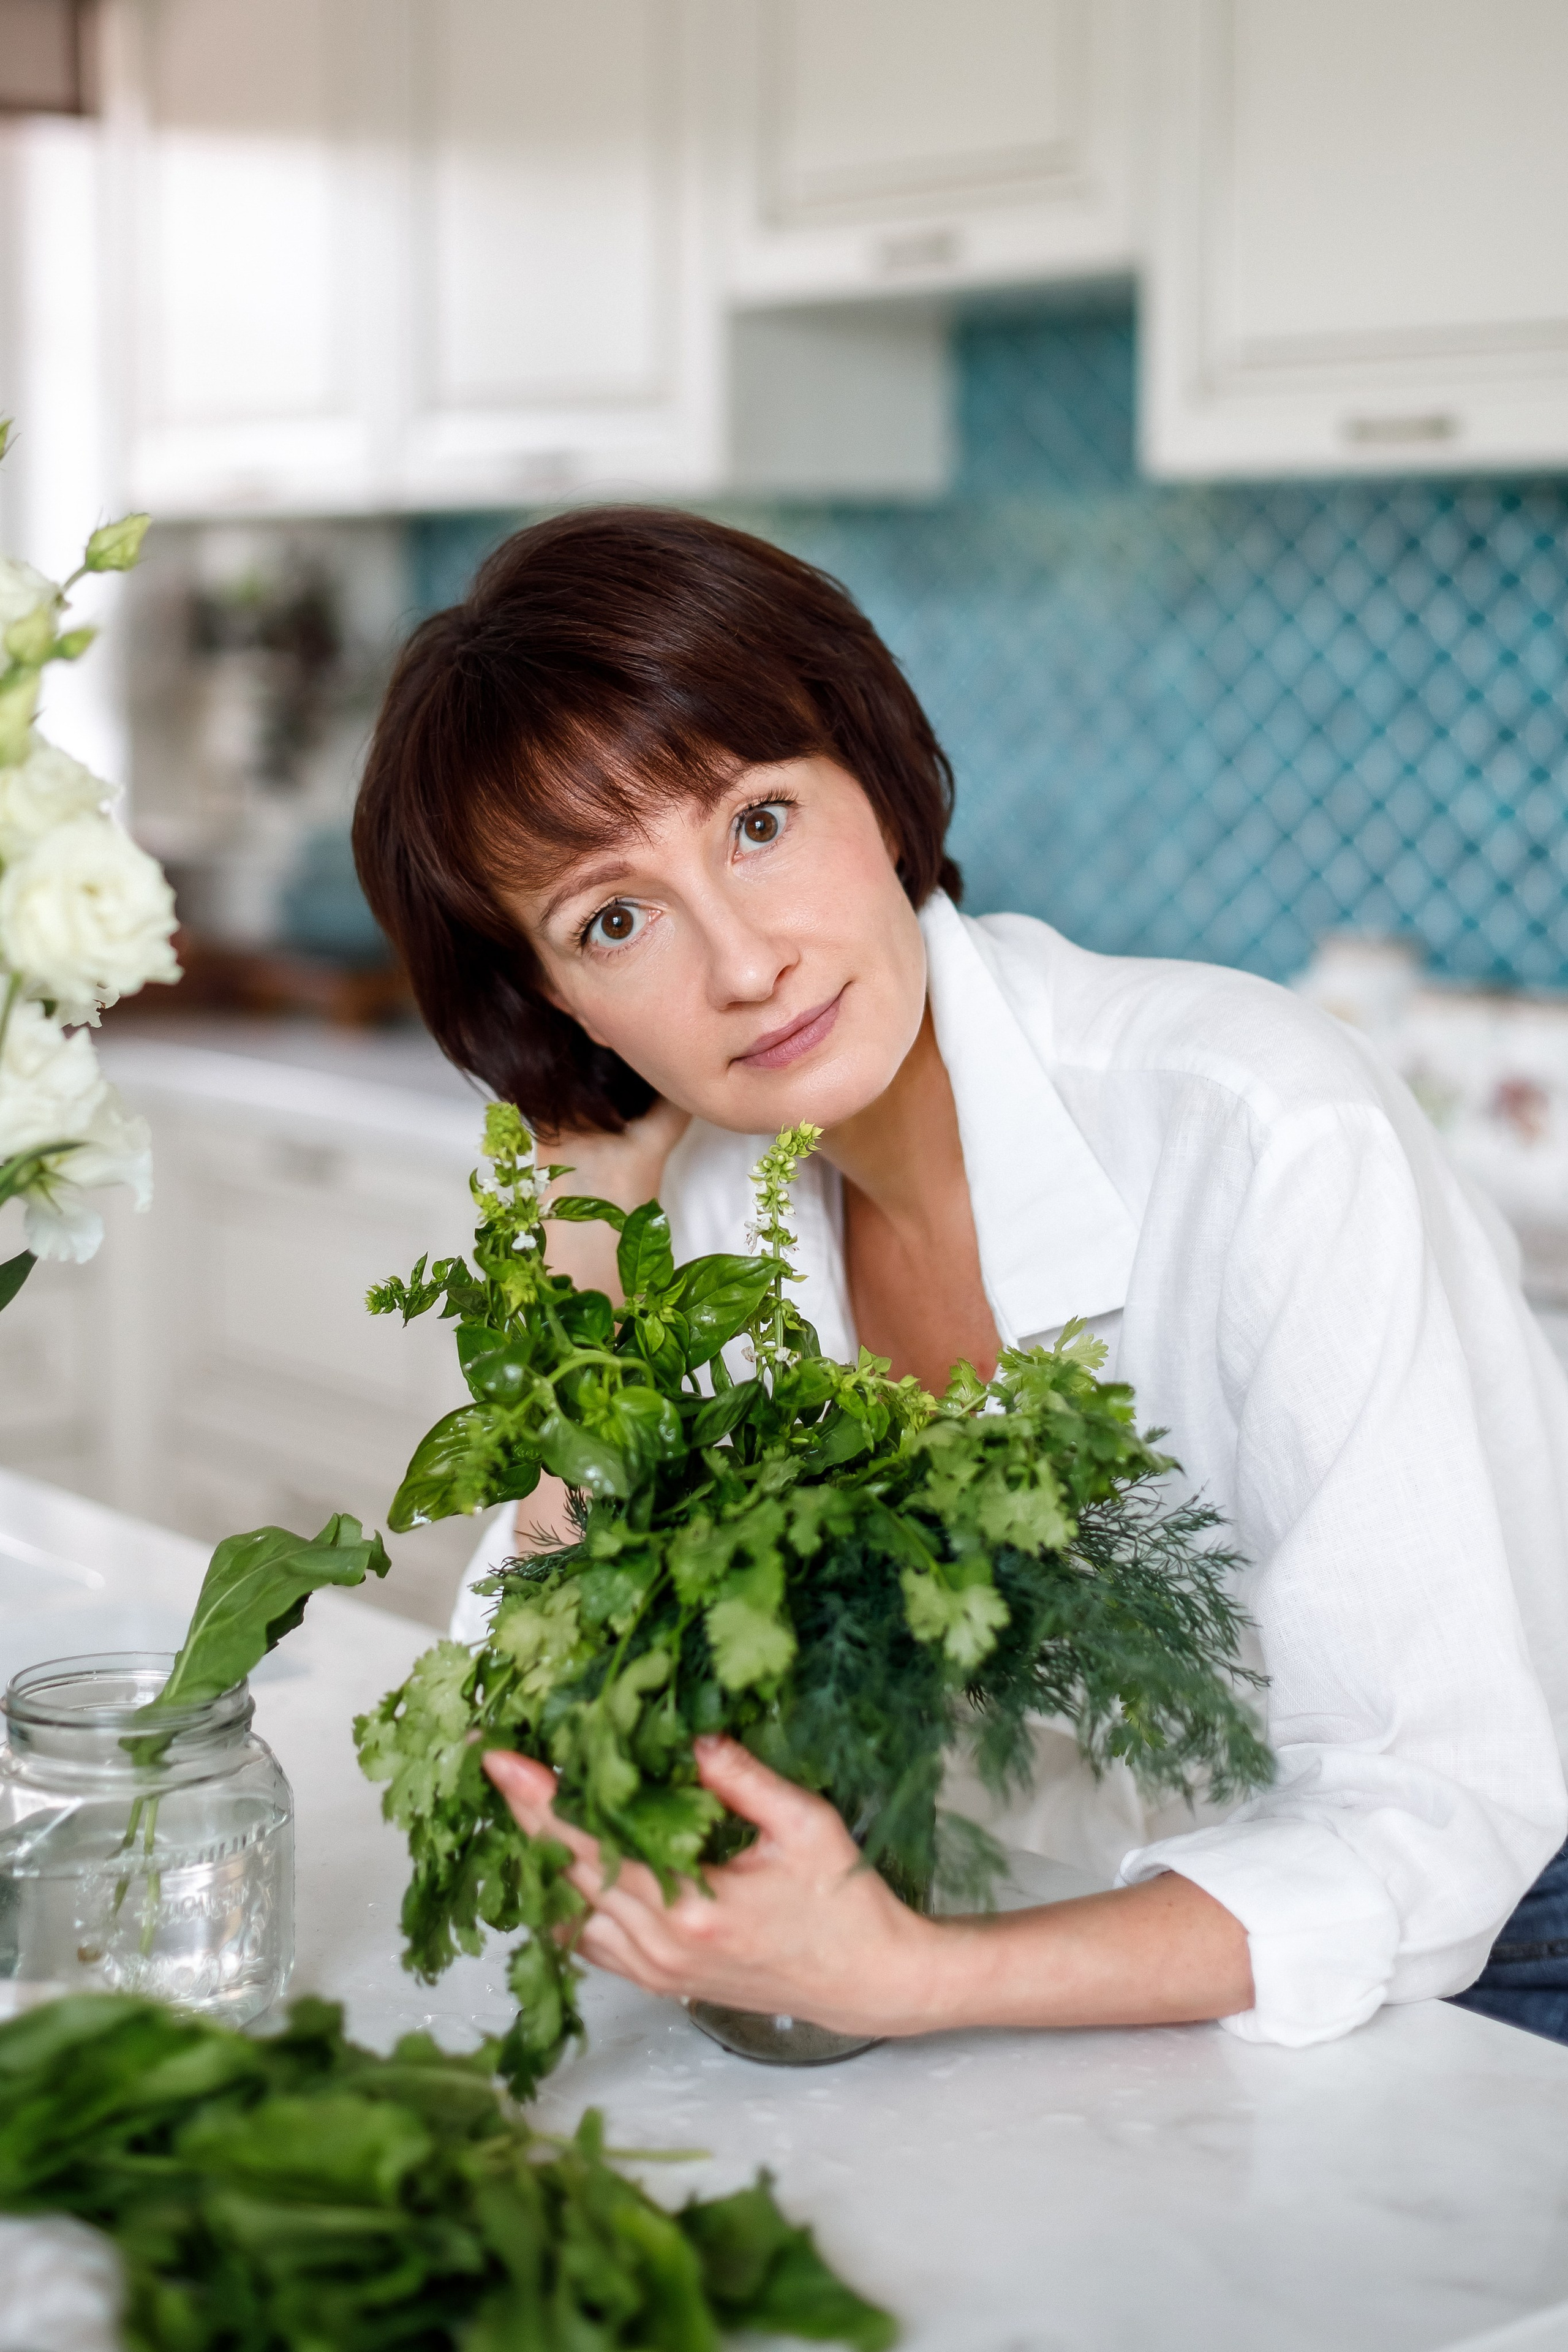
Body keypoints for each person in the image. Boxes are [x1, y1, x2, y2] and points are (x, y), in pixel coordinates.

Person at [353, 507, 1568, 2051]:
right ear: (556, 1006)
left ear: (866, 770)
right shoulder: (715, 1220)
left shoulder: (1263, 1132)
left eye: (757, 823)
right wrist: (589, 1242)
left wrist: (909, 1982)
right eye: (612, 918)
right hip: (1060, 1958)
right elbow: (526, 1737)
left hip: (1493, 1969)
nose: (741, 963)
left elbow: (1435, 1818)